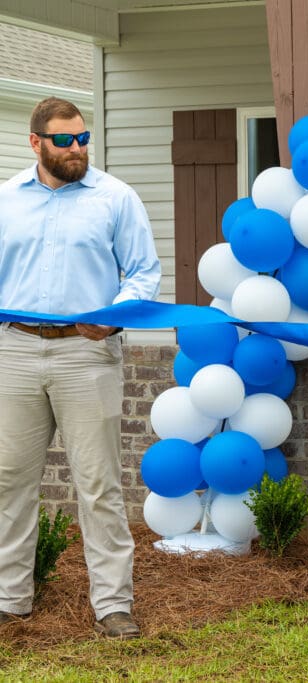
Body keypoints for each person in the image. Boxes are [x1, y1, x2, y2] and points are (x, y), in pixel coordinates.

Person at [0, 97, 161, 638]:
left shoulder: (116, 198)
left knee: (97, 485)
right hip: (15, 353)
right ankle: (9, 599)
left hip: (87, 353)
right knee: (9, 482)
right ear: (36, 143)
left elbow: (143, 273)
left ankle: (113, 605)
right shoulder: (7, 200)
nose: (77, 148)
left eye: (83, 138)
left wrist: (114, 320)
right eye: (64, 140)